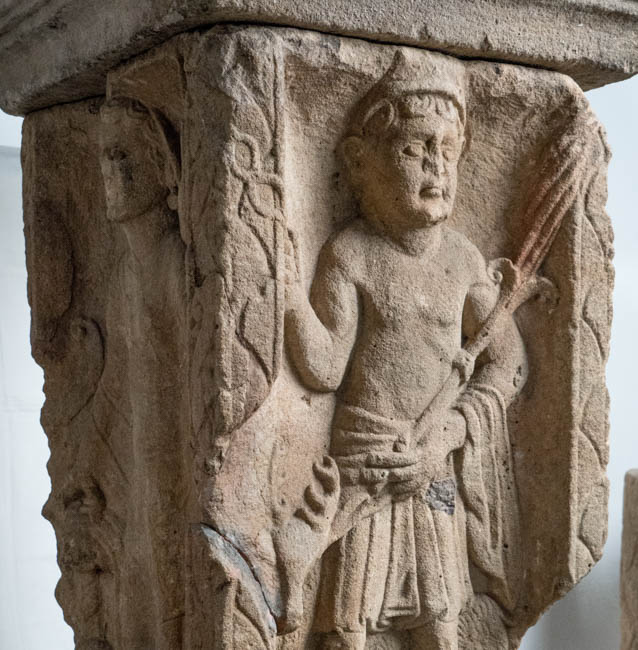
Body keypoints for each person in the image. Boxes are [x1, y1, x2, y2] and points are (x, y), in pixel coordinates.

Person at [284, 51, 528, 649]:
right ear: (360, 161)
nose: (436, 166)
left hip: (431, 470)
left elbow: (508, 361)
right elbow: (325, 367)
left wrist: (447, 434)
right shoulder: (351, 254)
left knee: (441, 627)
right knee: (347, 630)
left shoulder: (462, 260)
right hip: (365, 467)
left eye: (448, 150)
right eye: (415, 148)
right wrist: (286, 293)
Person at [98, 97, 187, 649]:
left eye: (126, 155)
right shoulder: (123, 275)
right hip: (136, 462)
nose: (114, 171)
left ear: (162, 167)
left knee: (170, 589)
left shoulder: (175, 264)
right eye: (107, 157)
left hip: (178, 460)